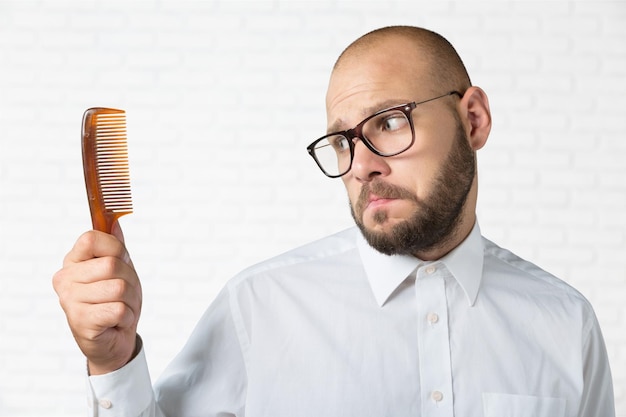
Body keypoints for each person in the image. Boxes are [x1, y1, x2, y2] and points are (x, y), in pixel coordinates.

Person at [53, 26, 615, 417]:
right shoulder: (260, 307)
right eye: (342, 141)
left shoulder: (566, 323)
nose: (363, 165)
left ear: (473, 119)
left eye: (390, 122)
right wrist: (113, 362)